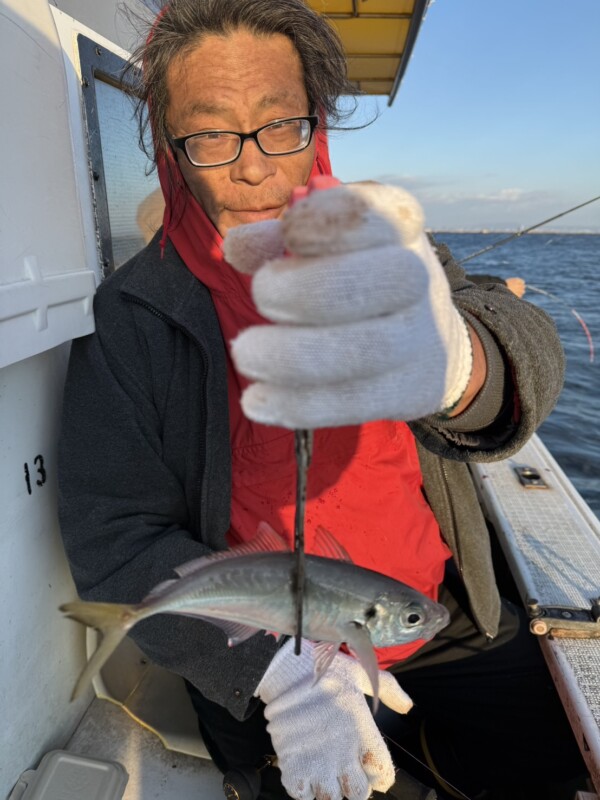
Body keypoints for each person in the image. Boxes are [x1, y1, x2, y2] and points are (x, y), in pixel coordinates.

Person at [58, 1, 586, 798]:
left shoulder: (382, 248)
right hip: (276, 657)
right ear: (169, 150)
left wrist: (462, 363)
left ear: (319, 127)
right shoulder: (134, 314)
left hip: (444, 614)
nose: (254, 167)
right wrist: (282, 675)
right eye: (210, 135)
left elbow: (523, 346)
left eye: (283, 126)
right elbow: (111, 531)